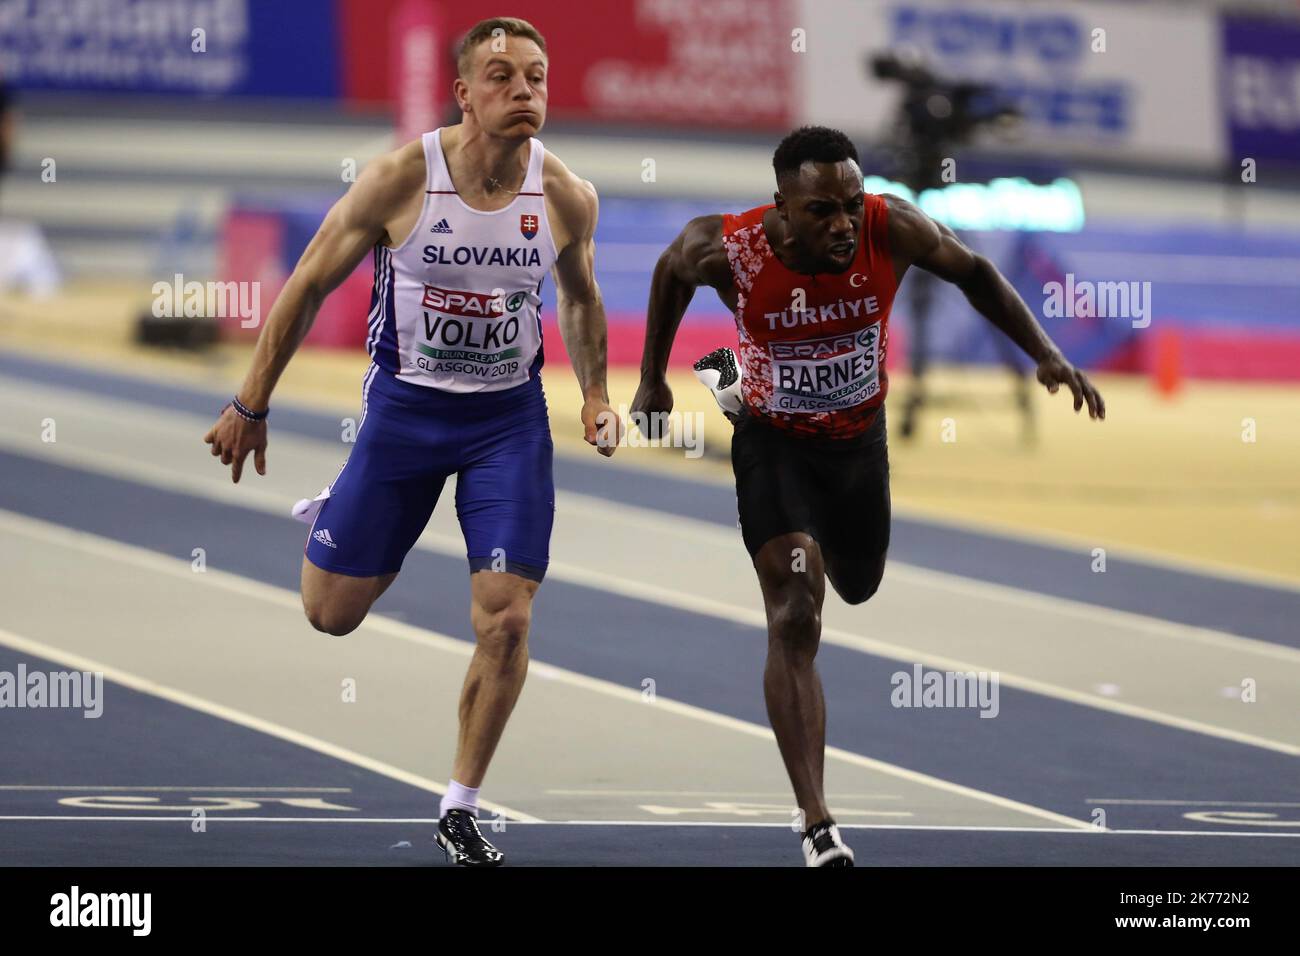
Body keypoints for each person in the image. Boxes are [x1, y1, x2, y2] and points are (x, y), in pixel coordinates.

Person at [203, 17, 618, 867]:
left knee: (505, 620)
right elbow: (310, 282)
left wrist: (597, 395)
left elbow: (578, 297)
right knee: (331, 616)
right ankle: (345, 510)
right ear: (464, 94)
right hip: (404, 416)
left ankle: (460, 806)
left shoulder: (566, 195)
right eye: (502, 76)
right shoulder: (402, 179)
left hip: (508, 423)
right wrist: (251, 403)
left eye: (537, 76)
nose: (524, 91)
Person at [632, 125, 1104, 866]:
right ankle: (818, 823)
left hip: (857, 444)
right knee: (796, 612)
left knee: (859, 584)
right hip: (775, 442)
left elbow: (976, 270)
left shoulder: (893, 228)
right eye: (822, 210)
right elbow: (669, 272)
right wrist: (651, 377)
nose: (843, 224)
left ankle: (730, 372)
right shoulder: (730, 248)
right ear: (781, 208)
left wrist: (1046, 353)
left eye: (850, 204)